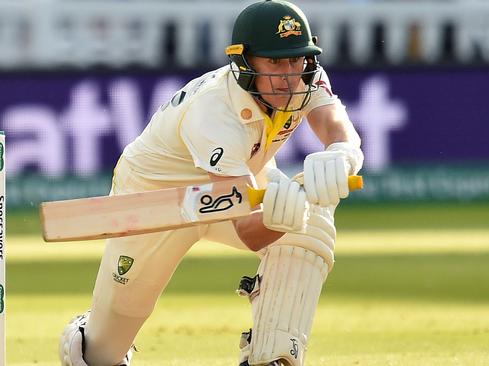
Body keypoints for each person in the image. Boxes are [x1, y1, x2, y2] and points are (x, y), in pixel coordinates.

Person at [58, 0, 363, 365]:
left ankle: (272, 355)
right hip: (159, 200)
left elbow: (335, 127)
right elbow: (249, 229)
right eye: (275, 63)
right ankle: (85, 338)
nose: (289, 76)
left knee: (310, 225)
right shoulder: (214, 113)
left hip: (238, 178)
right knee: (102, 353)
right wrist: (284, 213)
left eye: (297, 60)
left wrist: (343, 153)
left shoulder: (304, 76)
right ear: (245, 62)